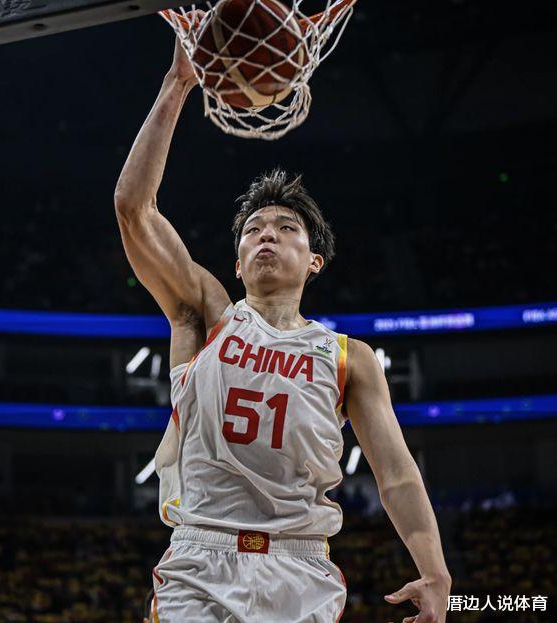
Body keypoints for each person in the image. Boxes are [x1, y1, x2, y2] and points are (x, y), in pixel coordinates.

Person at [114, 33, 451, 623]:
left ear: (314, 260)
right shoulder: (204, 314)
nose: (266, 233)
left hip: (300, 567)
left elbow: (396, 474)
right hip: (201, 558)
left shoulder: (348, 357)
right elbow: (133, 208)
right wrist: (178, 85)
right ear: (238, 262)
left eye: (286, 227)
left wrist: (435, 570)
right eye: (253, 230)